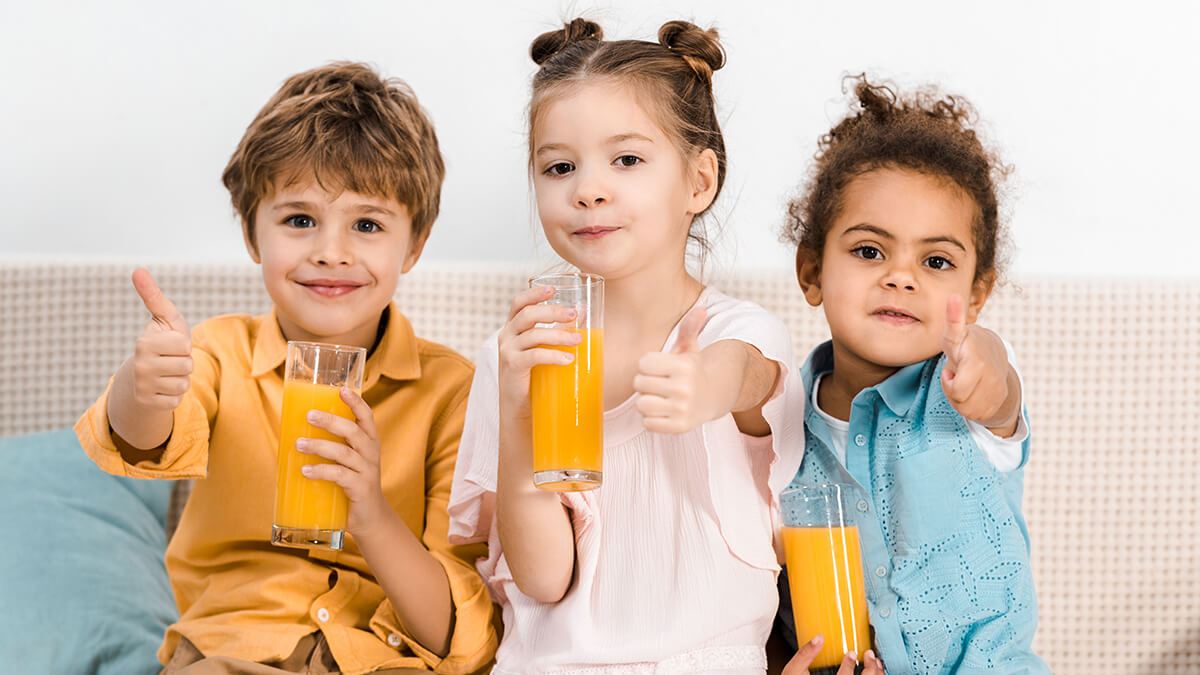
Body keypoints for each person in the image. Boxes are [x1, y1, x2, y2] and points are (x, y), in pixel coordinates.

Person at [74, 62, 497, 674]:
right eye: (300, 220)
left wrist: (371, 514)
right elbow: (142, 442)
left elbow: (454, 635)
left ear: (415, 244)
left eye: (367, 224)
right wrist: (144, 391)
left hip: (383, 662)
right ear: (253, 235)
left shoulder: (452, 394)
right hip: (230, 654)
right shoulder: (219, 354)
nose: (330, 252)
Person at [447, 18, 805, 674]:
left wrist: (708, 385)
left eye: (627, 160)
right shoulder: (519, 352)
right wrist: (520, 416)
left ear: (699, 182)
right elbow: (544, 579)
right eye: (560, 167)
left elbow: (749, 374)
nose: (588, 189)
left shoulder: (735, 333)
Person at [776, 77, 1049, 674]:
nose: (901, 277)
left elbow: (997, 386)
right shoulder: (776, 430)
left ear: (975, 296)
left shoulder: (970, 388)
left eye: (936, 261)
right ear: (812, 270)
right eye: (869, 251)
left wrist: (983, 364)